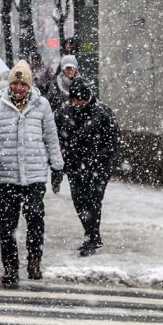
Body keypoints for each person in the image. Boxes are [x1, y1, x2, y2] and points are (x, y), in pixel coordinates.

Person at [0, 60, 63, 286]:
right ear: (10, 85)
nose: (18, 88)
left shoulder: (41, 105)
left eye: (22, 84)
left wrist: (57, 167)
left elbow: (51, 138)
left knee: (35, 219)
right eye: (15, 84)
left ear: (29, 85)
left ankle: (34, 260)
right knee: (7, 224)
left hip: (34, 176)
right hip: (7, 175)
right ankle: (10, 266)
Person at [60, 78, 120, 257]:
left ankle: (92, 237)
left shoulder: (102, 113)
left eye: (80, 99)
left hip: (97, 167)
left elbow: (112, 141)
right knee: (79, 200)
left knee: (93, 200)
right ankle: (92, 234)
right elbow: (59, 136)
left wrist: (100, 159)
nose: (77, 103)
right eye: (74, 99)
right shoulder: (65, 113)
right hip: (75, 165)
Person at [45, 54, 78, 193]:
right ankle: (56, 178)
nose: (70, 71)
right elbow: (49, 105)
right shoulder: (55, 85)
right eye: (67, 68)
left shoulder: (80, 84)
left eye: (72, 68)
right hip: (59, 127)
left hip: (76, 127)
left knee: (73, 157)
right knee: (58, 157)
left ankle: (74, 184)